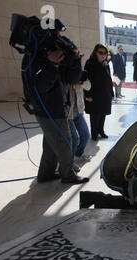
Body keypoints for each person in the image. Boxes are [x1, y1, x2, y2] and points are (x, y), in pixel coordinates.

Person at [21, 33, 89, 184]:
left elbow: (72, 79)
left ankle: (46, 174)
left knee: (52, 144)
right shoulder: (35, 58)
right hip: (48, 110)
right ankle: (67, 175)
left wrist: (76, 61)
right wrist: (53, 65)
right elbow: (41, 86)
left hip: (58, 107)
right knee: (65, 143)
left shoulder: (54, 57)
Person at [84, 44, 114, 141]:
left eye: (105, 53)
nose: (103, 55)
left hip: (105, 94)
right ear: (95, 52)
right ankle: (94, 133)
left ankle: (101, 130)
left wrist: (112, 93)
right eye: (100, 53)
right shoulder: (90, 63)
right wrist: (87, 94)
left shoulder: (106, 64)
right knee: (95, 115)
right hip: (94, 94)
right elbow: (85, 80)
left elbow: (109, 79)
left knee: (103, 114)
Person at [68, 70, 92, 163]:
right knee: (75, 139)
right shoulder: (64, 72)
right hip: (68, 113)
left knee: (85, 135)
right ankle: (69, 162)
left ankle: (78, 154)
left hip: (79, 110)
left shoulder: (80, 73)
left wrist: (81, 82)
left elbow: (88, 86)